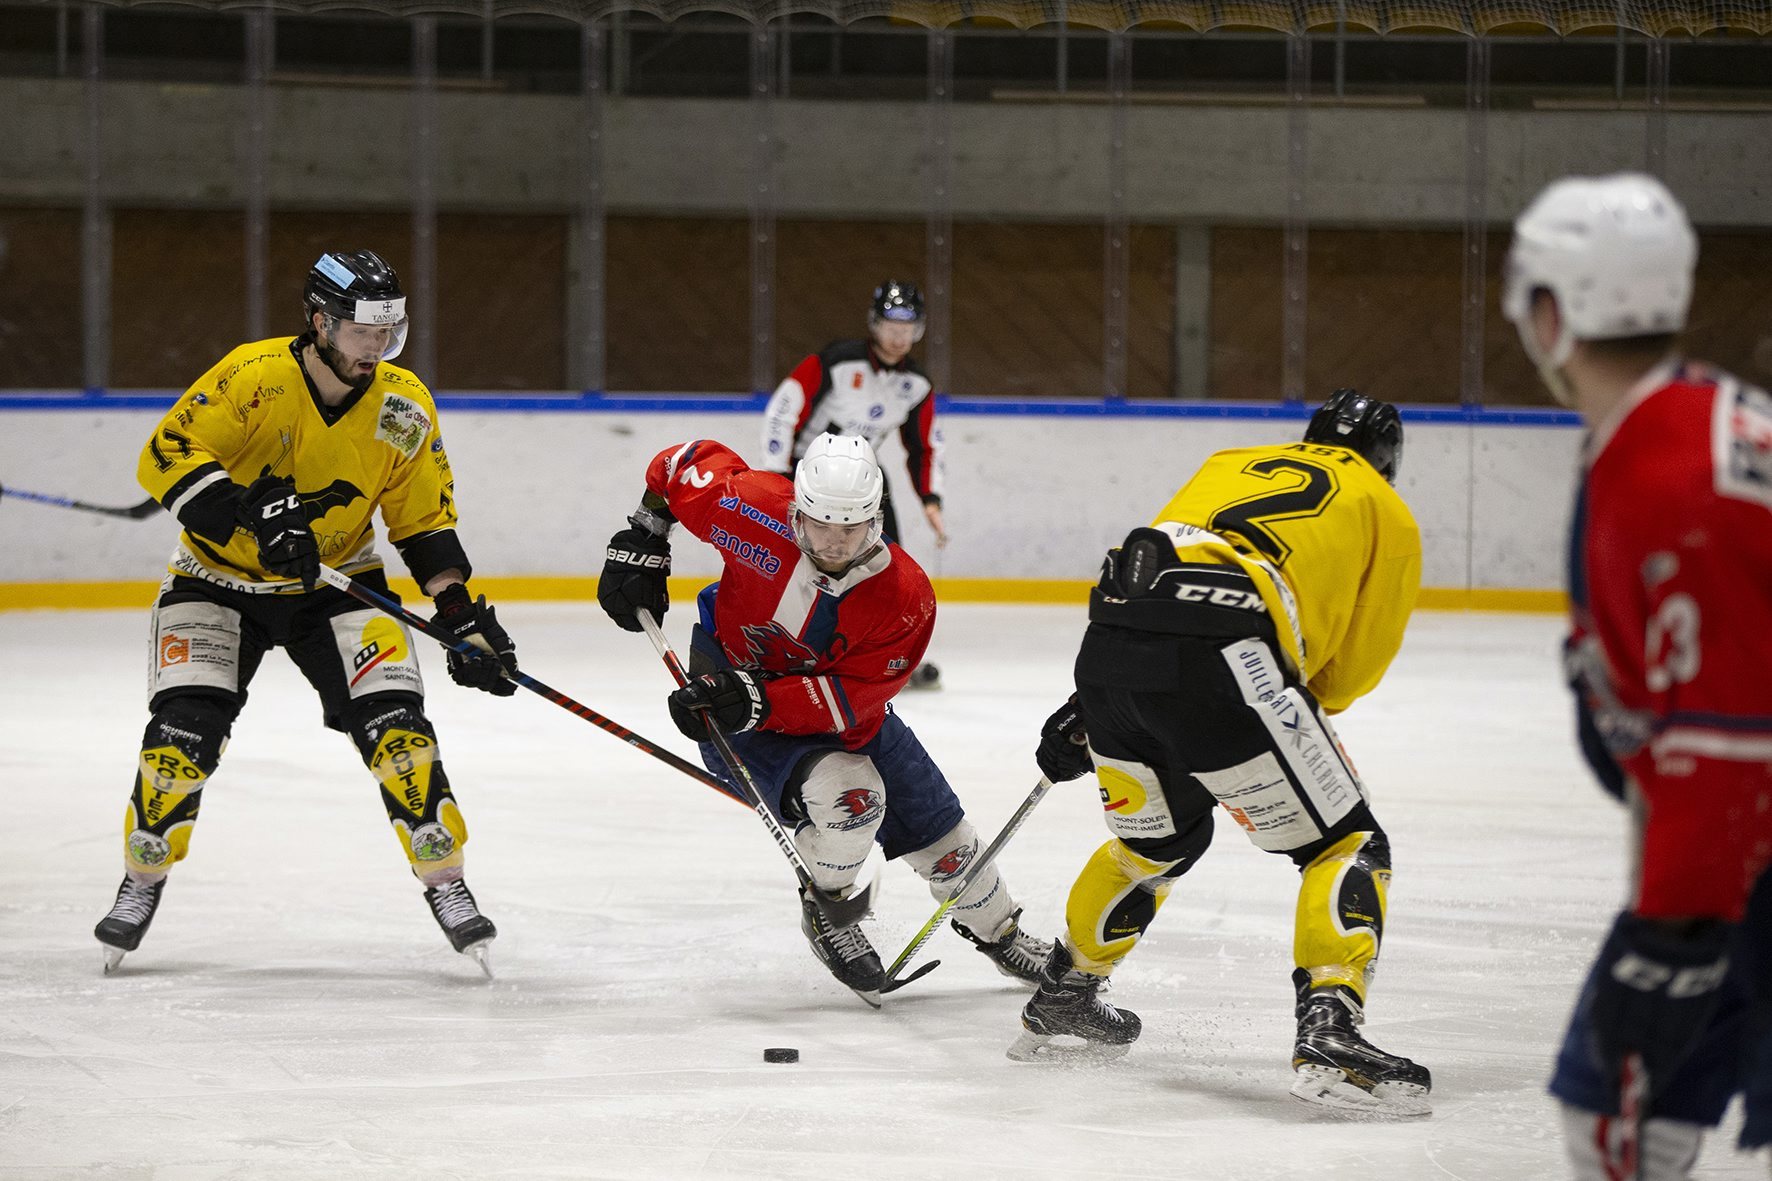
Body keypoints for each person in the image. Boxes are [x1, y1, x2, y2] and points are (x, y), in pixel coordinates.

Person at [92, 250, 519, 975]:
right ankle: (143, 875)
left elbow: (422, 520)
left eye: (389, 332)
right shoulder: (252, 378)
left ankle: (446, 882)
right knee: (179, 741)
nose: (377, 348)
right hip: (215, 579)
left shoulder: (402, 404)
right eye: (362, 332)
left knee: (401, 735)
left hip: (339, 584)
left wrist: (458, 609)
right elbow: (164, 455)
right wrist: (247, 520)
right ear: (320, 322)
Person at [1016, 389, 1430, 1117]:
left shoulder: (1229, 461)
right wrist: (1268, 714)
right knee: (1348, 840)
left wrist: (1105, 698)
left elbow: (1157, 568)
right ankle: (1330, 1029)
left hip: (1108, 646)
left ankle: (1065, 991)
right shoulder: (1383, 505)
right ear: (1388, 459)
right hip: (1227, 652)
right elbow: (1350, 672)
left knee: (1159, 841)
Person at [1504, 172, 1772, 1177]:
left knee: (1609, 1104)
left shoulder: (1670, 474)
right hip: (1737, 860)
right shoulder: (1687, 425)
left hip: (1734, 863)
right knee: (1634, 1111)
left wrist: (1673, 923)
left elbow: (1728, 738)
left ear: (1547, 314)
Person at [597, 432, 1049, 1007]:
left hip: (840, 718)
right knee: (852, 800)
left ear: (875, 520)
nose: (834, 543)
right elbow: (679, 463)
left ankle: (1001, 932)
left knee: (951, 845)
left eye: (850, 528)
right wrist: (645, 533)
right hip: (737, 718)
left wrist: (756, 695)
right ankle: (830, 905)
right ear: (796, 511)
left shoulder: (905, 596)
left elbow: (856, 697)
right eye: (819, 526)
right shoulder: (749, 506)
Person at [759, 279, 945, 689]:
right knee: (797, 559)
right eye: (892, 328)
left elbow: (924, 445)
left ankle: (889, 650)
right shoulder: (837, 362)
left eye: (909, 330)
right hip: (805, 473)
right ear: (874, 325)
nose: (899, 339)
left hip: (863, 476)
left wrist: (931, 498)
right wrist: (776, 473)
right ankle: (783, 643)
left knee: (887, 560)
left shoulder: (916, 384)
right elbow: (783, 410)